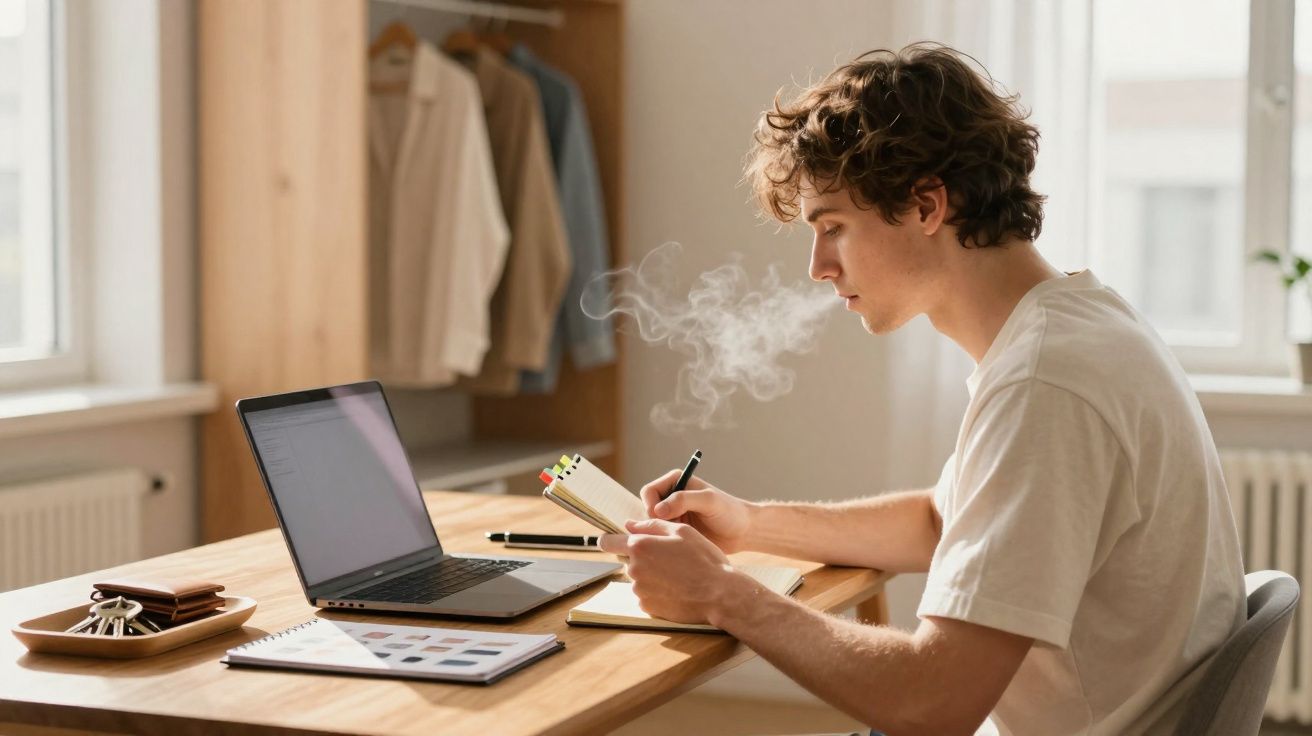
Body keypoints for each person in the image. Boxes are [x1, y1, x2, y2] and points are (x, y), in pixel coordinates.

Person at [597, 43, 1245, 735]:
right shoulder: (1075, 327)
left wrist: (724, 596)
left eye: (833, 228)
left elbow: (933, 703)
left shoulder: (1045, 384)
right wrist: (749, 525)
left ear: (928, 205)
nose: (818, 267)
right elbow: (942, 523)